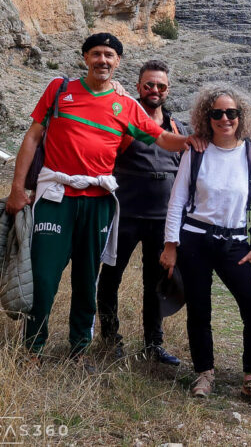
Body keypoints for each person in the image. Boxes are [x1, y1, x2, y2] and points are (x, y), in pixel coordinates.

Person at [5, 33, 189, 367]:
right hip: (56, 196)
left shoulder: (127, 106)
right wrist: (18, 188)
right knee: (45, 276)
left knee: (87, 278)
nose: (102, 60)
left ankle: (78, 350)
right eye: (96, 54)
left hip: (98, 200)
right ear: (85, 58)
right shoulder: (60, 89)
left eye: (109, 55)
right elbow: (32, 137)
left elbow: (162, 138)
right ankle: (33, 349)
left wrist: (195, 140)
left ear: (118, 61)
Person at [160, 83, 251, 408]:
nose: (225, 119)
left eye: (231, 113)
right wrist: (171, 244)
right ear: (207, 118)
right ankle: (204, 373)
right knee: (199, 308)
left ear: (241, 116)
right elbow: (178, 199)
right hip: (195, 239)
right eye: (217, 113)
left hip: (237, 242)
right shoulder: (196, 152)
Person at [96, 60, 186, 365]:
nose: (155, 90)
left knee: (156, 283)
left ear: (167, 89)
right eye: (149, 85)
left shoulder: (175, 127)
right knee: (111, 277)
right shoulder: (125, 119)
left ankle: (153, 344)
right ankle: (110, 340)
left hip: (163, 219)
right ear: (138, 87)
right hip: (126, 216)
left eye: (160, 85)